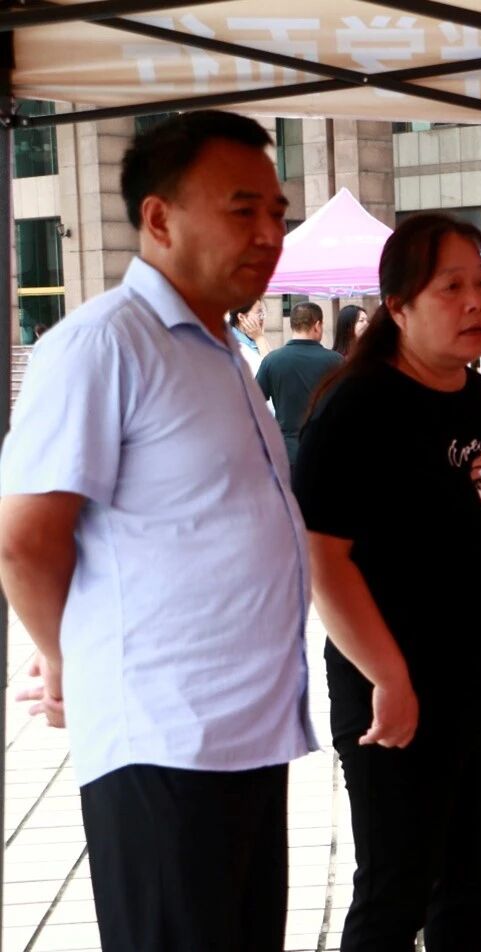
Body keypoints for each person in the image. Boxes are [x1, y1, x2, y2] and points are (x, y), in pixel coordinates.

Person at [0, 110, 317, 952]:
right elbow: (26, 539)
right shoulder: (103, 344)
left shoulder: (221, 352)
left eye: (276, 213)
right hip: (163, 740)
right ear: (159, 217)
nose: (269, 234)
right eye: (242, 210)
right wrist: (68, 662)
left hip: (248, 735)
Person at [292, 212, 481, 951]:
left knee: (473, 881)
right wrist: (388, 676)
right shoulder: (358, 406)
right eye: (451, 287)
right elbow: (321, 557)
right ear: (399, 306)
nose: (477, 302)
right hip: (395, 693)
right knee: (396, 887)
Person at [255, 301, 343, 470]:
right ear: (317, 325)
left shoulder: (272, 361)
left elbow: (253, 401)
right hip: (325, 450)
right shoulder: (336, 361)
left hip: (286, 452)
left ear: (292, 325)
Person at [229, 297, 273, 374]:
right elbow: (272, 372)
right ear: (241, 317)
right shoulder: (234, 346)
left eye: (262, 313)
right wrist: (259, 338)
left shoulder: (254, 339)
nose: (262, 317)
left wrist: (261, 338)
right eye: (258, 313)